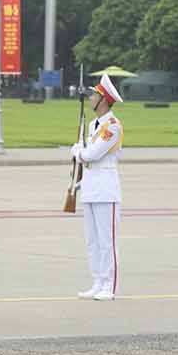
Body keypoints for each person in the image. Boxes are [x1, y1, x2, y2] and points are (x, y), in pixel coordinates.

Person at [72, 74, 124, 301]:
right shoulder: (94, 125)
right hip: (91, 187)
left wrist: (77, 152)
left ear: (103, 100)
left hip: (105, 189)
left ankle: (109, 286)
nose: (91, 98)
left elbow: (92, 154)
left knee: (107, 241)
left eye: (94, 95)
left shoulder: (112, 127)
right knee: (92, 241)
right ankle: (97, 281)